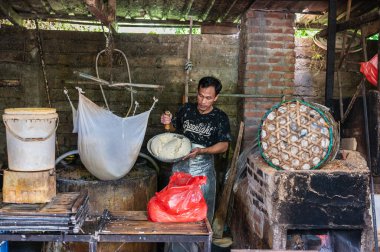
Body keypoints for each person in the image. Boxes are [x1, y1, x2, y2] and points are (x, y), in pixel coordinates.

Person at [160, 76, 231, 222]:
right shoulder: (186, 110)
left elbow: (224, 145)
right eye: (200, 95)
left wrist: (201, 151)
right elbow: (174, 127)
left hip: (203, 172)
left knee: (199, 215)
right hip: (180, 169)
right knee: (177, 210)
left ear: (216, 97)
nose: (203, 101)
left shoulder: (220, 118)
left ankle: (200, 244)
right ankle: (177, 245)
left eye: (208, 98)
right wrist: (167, 122)